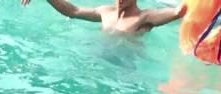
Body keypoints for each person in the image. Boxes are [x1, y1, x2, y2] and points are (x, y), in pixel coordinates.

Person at [24, 0, 187, 35]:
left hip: (125, 72)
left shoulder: (145, 17)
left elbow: (178, 11)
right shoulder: (106, 12)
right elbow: (73, 11)